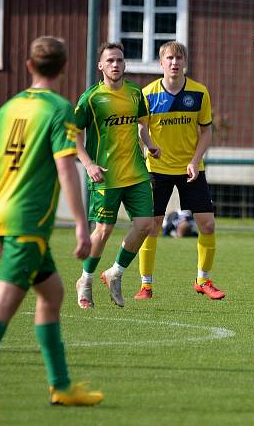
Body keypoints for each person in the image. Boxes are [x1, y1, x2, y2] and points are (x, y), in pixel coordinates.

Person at [0, 37, 103, 408]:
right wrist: (82, 225)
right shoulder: (59, 108)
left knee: (52, 294)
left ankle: (62, 387)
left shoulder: (9, 107)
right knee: (3, 303)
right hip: (30, 222)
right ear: (63, 69)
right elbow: (66, 166)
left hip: (8, 214)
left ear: (29, 66)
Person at [134, 41, 225, 301]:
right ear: (161, 63)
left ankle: (203, 280)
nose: (174, 62)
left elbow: (206, 130)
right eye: (169, 58)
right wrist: (150, 146)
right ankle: (146, 285)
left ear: (185, 62)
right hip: (157, 168)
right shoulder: (148, 93)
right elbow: (142, 128)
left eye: (179, 58)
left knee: (207, 224)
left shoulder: (199, 93)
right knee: (151, 226)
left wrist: (196, 160)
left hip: (191, 169)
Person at [73, 42, 161, 308]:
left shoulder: (135, 92)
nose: (115, 65)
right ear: (100, 65)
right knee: (103, 230)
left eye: (120, 60)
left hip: (136, 172)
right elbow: (75, 136)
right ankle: (85, 280)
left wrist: (150, 144)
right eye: (110, 60)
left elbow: (142, 125)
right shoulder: (91, 98)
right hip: (105, 175)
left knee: (146, 225)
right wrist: (88, 164)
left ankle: (115, 273)